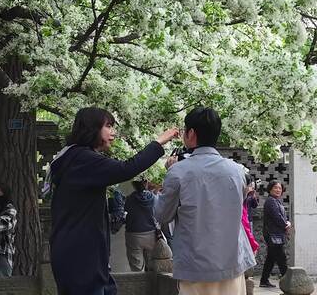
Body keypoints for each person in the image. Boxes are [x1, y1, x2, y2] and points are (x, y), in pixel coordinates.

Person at [49, 107, 178, 295]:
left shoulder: (71, 156)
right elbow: (127, 169)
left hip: (77, 253)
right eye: (108, 126)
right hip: (81, 257)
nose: (113, 132)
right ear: (92, 128)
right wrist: (159, 142)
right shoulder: (83, 159)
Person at [154, 107, 256, 295]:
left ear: (191, 133)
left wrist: (169, 175)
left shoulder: (178, 172)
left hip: (195, 267)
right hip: (232, 262)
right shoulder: (237, 171)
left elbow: (162, 214)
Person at [260, 180, 291, 288]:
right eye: (275, 188)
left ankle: (264, 280)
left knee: (271, 258)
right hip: (273, 234)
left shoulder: (276, 201)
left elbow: (282, 216)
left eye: (280, 188)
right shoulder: (271, 201)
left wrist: (287, 222)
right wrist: (285, 225)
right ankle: (288, 282)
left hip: (277, 234)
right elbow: (276, 217)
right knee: (281, 258)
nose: (278, 190)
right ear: (270, 189)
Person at [124, 179, 157, 272]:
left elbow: (126, 212)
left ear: (133, 185)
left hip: (133, 234)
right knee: (152, 265)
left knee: (136, 268)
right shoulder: (153, 197)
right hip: (151, 234)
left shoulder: (129, 199)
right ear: (146, 184)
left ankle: (139, 285)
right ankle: (152, 285)